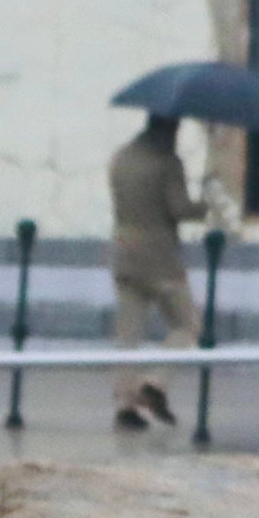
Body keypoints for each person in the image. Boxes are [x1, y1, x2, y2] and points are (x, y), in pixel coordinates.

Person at [107, 108, 200, 430]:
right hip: (160, 259)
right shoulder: (167, 162)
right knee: (188, 323)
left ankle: (125, 405)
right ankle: (154, 383)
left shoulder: (120, 157)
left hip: (123, 253)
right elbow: (179, 209)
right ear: (171, 127)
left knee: (128, 334)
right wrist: (208, 203)